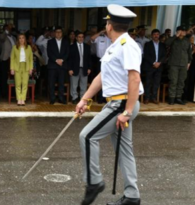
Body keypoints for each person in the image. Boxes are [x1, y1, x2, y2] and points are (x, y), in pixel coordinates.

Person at [77, 4, 143, 205]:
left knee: (87, 136)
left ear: (109, 25)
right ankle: (132, 196)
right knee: (124, 150)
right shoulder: (115, 46)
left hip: (122, 103)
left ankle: (94, 181)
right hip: (118, 102)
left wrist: (128, 111)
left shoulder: (127, 45)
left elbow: (134, 78)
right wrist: (85, 99)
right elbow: (102, 77)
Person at [165, 26, 192, 105]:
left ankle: (178, 97)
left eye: (184, 31)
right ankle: (171, 98)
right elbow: (166, 43)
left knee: (181, 81)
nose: (183, 32)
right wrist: (175, 36)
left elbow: (189, 52)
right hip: (174, 64)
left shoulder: (187, 41)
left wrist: (189, 62)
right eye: (181, 31)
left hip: (184, 64)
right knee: (173, 81)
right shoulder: (173, 39)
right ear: (177, 31)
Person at [142, 29, 166, 104]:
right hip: (150, 66)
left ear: (159, 35)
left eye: (157, 34)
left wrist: (159, 63)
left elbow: (164, 55)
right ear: (152, 35)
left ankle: (154, 98)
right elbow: (146, 55)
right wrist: (153, 63)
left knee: (156, 83)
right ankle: (147, 98)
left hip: (159, 66)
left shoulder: (162, 45)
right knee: (148, 82)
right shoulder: (147, 44)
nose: (156, 36)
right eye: (154, 34)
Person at [47, 26, 70, 104]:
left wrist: (62, 60)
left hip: (62, 65)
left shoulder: (66, 42)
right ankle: (52, 98)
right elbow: (49, 53)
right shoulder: (50, 42)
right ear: (54, 33)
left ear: (62, 33)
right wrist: (56, 60)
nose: (58, 34)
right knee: (51, 83)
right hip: (53, 65)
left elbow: (67, 53)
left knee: (61, 82)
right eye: (57, 32)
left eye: (60, 32)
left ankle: (61, 98)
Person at [10, 34, 33, 106]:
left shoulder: (28, 47)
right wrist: (12, 68)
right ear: (18, 40)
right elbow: (12, 58)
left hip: (26, 66)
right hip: (17, 66)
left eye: (23, 38)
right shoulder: (15, 47)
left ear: (25, 39)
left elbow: (30, 59)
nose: (21, 39)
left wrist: (31, 68)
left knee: (25, 83)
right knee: (18, 83)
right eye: (20, 38)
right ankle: (19, 99)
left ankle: (23, 99)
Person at [68, 32, 92, 104]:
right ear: (76, 38)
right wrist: (70, 69)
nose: (81, 38)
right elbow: (69, 59)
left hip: (84, 68)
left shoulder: (87, 47)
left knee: (83, 85)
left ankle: (82, 98)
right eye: (79, 37)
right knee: (74, 84)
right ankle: (74, 98)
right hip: (74, 68)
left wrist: (89, 68)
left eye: (82, 37)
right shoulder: (72, 47)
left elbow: (89, 59)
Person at [91, 28, 112, 104]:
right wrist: (100, 32)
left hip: (110, 62)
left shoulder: (112, 38)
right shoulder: (100, 38)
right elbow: (92, 38)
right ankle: (100, 98)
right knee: (100, 79)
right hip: (100, 61)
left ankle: (107, 98)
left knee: (109, 80)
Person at [0, 24, 16, 97]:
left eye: (10, 28)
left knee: (13, 76)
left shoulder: (14, 37)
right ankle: (4, 92)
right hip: (5, 58)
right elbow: (2, 38)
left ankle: (12, 92)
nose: (9, 29)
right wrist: (6, 30)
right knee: (4, 76)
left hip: (13, 59)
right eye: (7, 29)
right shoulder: (3, 36)